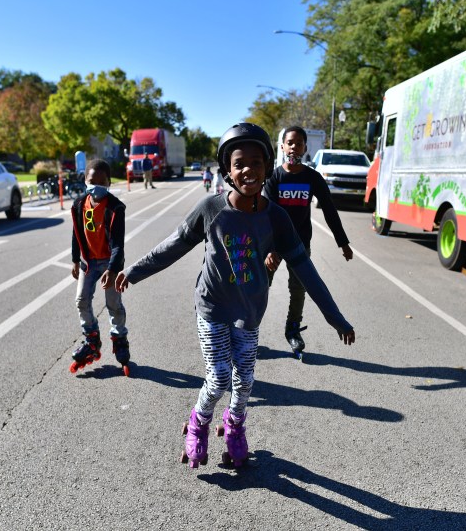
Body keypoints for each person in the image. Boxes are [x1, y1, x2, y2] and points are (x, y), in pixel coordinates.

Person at [115, 123, 355, 469]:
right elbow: (173, 246)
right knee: (219, 378)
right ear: (227, 171)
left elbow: (305, 270)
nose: (249, 171)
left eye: (257, 163)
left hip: (249, 312)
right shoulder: (211, 209)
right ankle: (198, 424)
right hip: (212, 308)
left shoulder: (277, 217)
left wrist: (335, 318)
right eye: (239, 163)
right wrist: (134, 272)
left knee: (245, 381)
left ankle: (235, 426)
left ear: (267, 165)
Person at [263, 125, 353, 356]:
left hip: (300, 244)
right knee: (260, 286)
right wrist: (270, 248)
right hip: (273, 245)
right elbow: (266, 215)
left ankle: (292, 330)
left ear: (305, 147)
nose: (294, 146)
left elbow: (330, 211)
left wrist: (342, 242)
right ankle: (249, 331)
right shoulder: (273, 177)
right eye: (290, 142)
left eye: (299, 143)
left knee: (298, 289)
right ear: (282, 146)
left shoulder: (312, 178)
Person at [70, 159, 131, 377]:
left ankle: (119, 338)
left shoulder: (115, 208)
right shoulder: (79, 205)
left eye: (101, 182)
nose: (96, 186)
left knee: (113, 303)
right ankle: (92, 340)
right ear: (85, 181)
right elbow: (77, 234)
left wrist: (112, 270)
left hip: (109, 263)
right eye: (91, 181)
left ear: (109, 183)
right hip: (88, 262)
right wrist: (75, 259)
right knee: (81, 300)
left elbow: (118, 244)